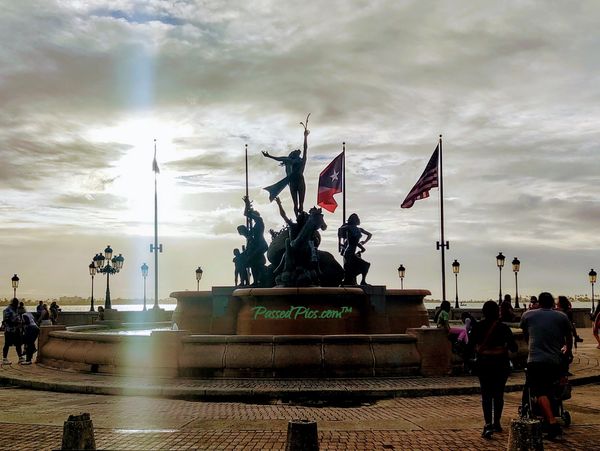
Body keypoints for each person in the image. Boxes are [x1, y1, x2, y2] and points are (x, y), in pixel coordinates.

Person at [520, 292, 573, 439]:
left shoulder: (527, 315)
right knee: (550, 389)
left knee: (538, 391)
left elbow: (525, 333)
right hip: (554, 360)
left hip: (535, 360)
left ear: (539, 302)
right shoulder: (562, 316)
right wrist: (567, 350)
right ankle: (549, 419)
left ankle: (552, 422)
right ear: (552, 303)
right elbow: (569, 336)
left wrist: (531, 346)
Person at [470, 300, 518, 439]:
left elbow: (470, 346)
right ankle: (497, 422)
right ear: (497, 312)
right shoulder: (503, 328)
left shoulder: (478, 327)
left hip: (484, 364)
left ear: (483, 312)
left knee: (486, 395)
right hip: (500, 364)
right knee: (498, 394)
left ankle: (488, 424)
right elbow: (514, 347)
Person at [262, 116, 310, 217]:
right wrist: (269, 156)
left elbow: (305, 148)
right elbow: (280, 159)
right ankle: (298, 218)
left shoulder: (301, 160)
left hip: (298, 180)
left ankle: (300, 217)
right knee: (296, 204)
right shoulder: (292, 161)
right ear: (294, 155)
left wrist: (305, 137)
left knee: (300, 203)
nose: (297, 151)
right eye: (295, 152)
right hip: (295, 181)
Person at [337, 213, 372, 285]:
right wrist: (340, 243)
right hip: (349, 252)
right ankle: (359, 280)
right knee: (364, 265)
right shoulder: (349, 227)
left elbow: (369, 234)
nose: (357, 220)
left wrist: (364, 242)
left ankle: (356, 279)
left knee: (362, 266)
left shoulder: (359, 229)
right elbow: (340, 230)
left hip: (351, 252)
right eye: (356, 219)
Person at [2, 298, 25, 365]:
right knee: (7, 344)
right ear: (13, 303)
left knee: (18, 344)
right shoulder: (8, 310)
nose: (17, 305)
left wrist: (19, 324)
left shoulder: (15, 309)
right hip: (9, 331)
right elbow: (6, 321)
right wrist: (16, 323)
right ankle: (4, 359)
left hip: (16, 330)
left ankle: (20, 358)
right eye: (16, 303)